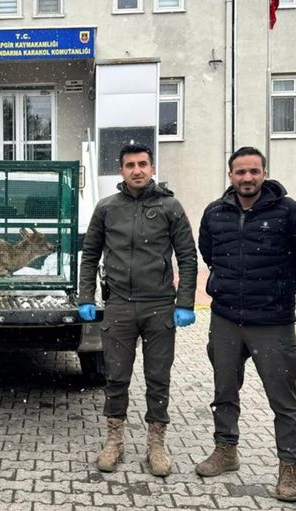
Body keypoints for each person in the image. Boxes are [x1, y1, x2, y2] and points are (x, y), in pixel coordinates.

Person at [196, 146, 296, 501]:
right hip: (226, 318)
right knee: (224, 391)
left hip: (272, 321)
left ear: (264, 173)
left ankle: (289, 467)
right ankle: (226, 451)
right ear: (230, 175)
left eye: (254, 171)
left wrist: (278, 290)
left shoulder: (289, 213)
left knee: (283, 399)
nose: (247, 177)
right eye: (240, 172)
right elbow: (209, 252)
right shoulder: (215, 212)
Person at [78, 143, 198, 477]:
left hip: (159, 306)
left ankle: (156, 443)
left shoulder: (170, 207)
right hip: (119, 306)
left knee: (158, 378)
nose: (137, 170)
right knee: (116, 377)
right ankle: (114, 440)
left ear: (152, 168)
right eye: (130, 165)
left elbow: (188, 256)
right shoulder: (107, 208)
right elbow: (90, 256)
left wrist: (185, 302)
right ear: (121, 170)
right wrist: (86, 297)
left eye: (143, 164)